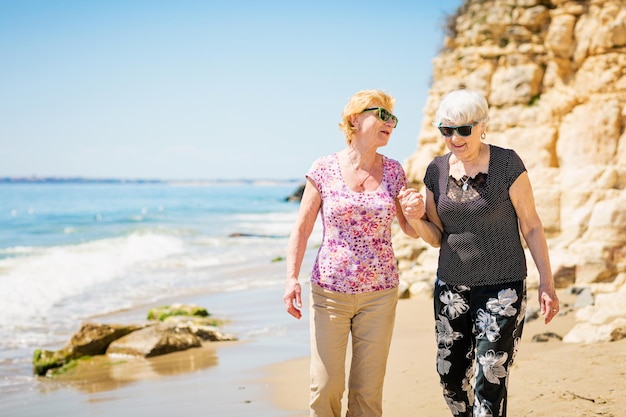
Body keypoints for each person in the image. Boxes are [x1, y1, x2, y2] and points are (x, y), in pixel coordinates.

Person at [282, 89, 431, 417]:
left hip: (380, 295)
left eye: (393, 118)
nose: (390, 123)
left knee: (367, 393)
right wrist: (291, 277)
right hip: (329, 294)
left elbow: (407, 228)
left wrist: (417, 212)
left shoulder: (393, 171)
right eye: (382, 114)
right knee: (325, 386)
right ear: (354, 119)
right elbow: (303, 228)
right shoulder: (323, 168)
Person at [418, 88, 560, 417]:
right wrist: (412, 218)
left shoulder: (507, 164)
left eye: (464, 130)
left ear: (482, 126)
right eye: (446, 130)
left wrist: (547, 283)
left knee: (490, 379)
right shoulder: (435, 172)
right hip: (451, 290)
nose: (455, 138)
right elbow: (436, 235)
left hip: (502, 288)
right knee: (450, 378)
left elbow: (532, 226)